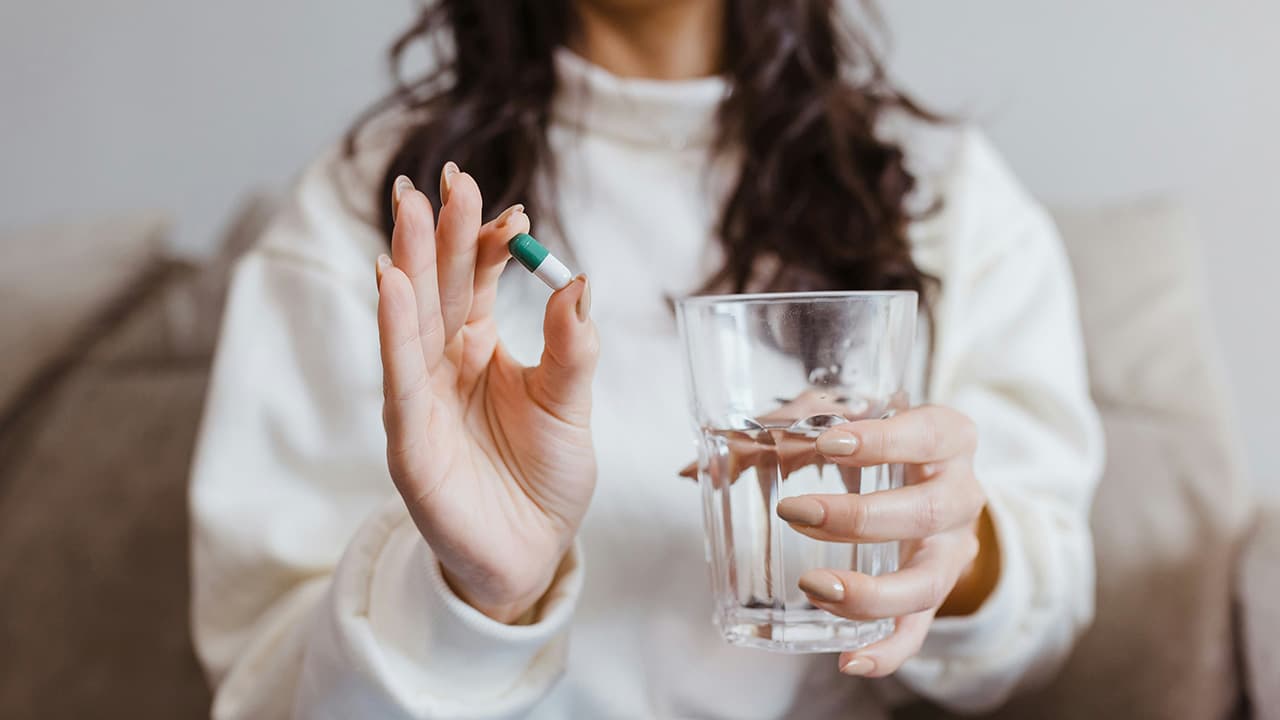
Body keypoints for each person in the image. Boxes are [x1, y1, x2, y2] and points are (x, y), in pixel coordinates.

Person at [189, 1, 1103, 717]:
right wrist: (473, 598)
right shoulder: (381, 211)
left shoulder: (945, 194)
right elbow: (265, 690)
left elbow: (1044, 614)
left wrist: (953, 548)